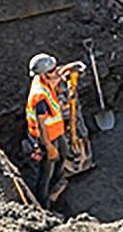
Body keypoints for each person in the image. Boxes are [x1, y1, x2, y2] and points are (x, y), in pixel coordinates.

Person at [25, 52, 81, 207]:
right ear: (43, 75)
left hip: (57, 132)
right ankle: (44, 203)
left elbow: (55, 77)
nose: (56, 71)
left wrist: (69, 68)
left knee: (63, 154)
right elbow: (41, 124)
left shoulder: (42, 78)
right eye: (52, 70)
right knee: (46, 172)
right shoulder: (39, 96)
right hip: (46, 138)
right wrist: (49, 147)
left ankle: (57, 186)